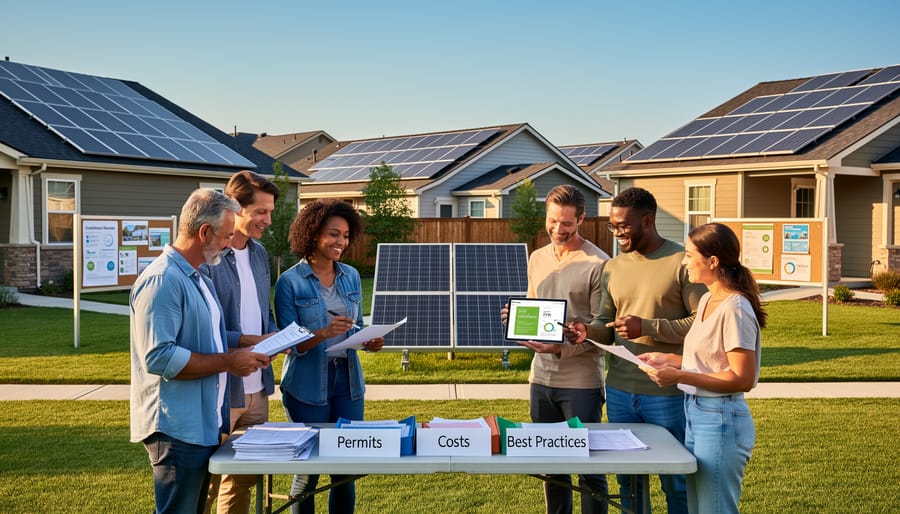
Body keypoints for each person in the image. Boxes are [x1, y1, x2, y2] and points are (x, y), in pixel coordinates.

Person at [130, 188, 271, 514]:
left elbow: (211, 338)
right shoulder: (163, 280)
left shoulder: (196, 278)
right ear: (204, 231)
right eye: (225, 236)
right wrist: (228, 363)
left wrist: (247, 342)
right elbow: (160, 357)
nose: (227, 244)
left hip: (202, 424)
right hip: (177, 429)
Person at [572, 187, 707, 514]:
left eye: (623, 226)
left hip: (668, 392)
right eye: (612, 226)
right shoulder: (613, 267)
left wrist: (646, 326)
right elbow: (606, 323)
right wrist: (584, 331)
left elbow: (702, 325)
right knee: (628, 481)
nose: (617, 233)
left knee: (676, 482)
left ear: (648, 220)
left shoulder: (683, 263)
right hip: (619, 391)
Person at [638, 223, 765, 514]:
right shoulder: (707, 299)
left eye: (689, 255)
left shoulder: (736, 308)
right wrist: (669, 361)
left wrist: (679, 376)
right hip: (696, 412)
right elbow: (711, 362)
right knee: (696, 508)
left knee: (714, 509)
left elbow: (741, 378)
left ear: (713, 261)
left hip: (721, 418)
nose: (684, 262)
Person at [501, 184, 610, 514]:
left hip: (581, 383)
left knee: (589, 470)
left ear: (581, 219)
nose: (558, 230)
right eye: (552, 221)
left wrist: (560, 348)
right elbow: (536, 311)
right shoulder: (537, 258)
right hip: (541, 379)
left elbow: (601, 333)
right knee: (552, 466)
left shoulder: (598, 264)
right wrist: (517, 320)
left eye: (566, 223)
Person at [274, 199, 385, 514]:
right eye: (334, 234)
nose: (342, 242)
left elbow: (355, 328)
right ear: (313, 234)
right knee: (308, 470)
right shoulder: (289, 283)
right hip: (306, 386)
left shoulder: (349, 276)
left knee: (344, 471)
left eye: (346, 236)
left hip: (347, 383)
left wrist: (368, 342)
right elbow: (289, 344)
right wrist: (321, 332)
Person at [202, 171, 280, 514]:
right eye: (261, 212)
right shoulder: (210, 259)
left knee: (243, 480)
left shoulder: (261, 254)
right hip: (223, 388)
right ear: (237, 209)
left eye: (271, 212)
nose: (268, 220)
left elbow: (263, 312)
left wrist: (279, 337)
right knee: (208, 482)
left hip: (257, 388)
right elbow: (208, 330)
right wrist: (251, 340)